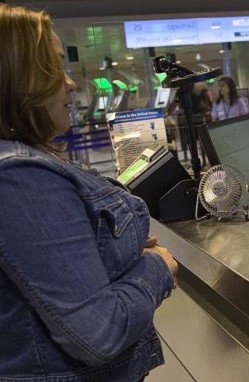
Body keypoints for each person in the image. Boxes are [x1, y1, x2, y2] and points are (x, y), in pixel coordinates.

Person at [0, 4, 178, 381]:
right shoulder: (20, 178)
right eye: (54, 67)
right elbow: (101, 332)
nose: (71, 83)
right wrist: (158, 265)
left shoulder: (28, 162)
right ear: (17, 78)